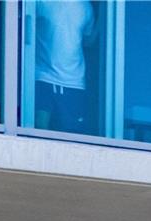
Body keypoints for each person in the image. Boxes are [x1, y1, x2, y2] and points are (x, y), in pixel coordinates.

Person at [34, 0, 96, 133]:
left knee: (71, 137)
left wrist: (105, 22)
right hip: (43, 76)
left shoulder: (86, 7)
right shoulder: (41, 2)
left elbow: (89, 41)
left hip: (74, 82)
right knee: (38, 130)